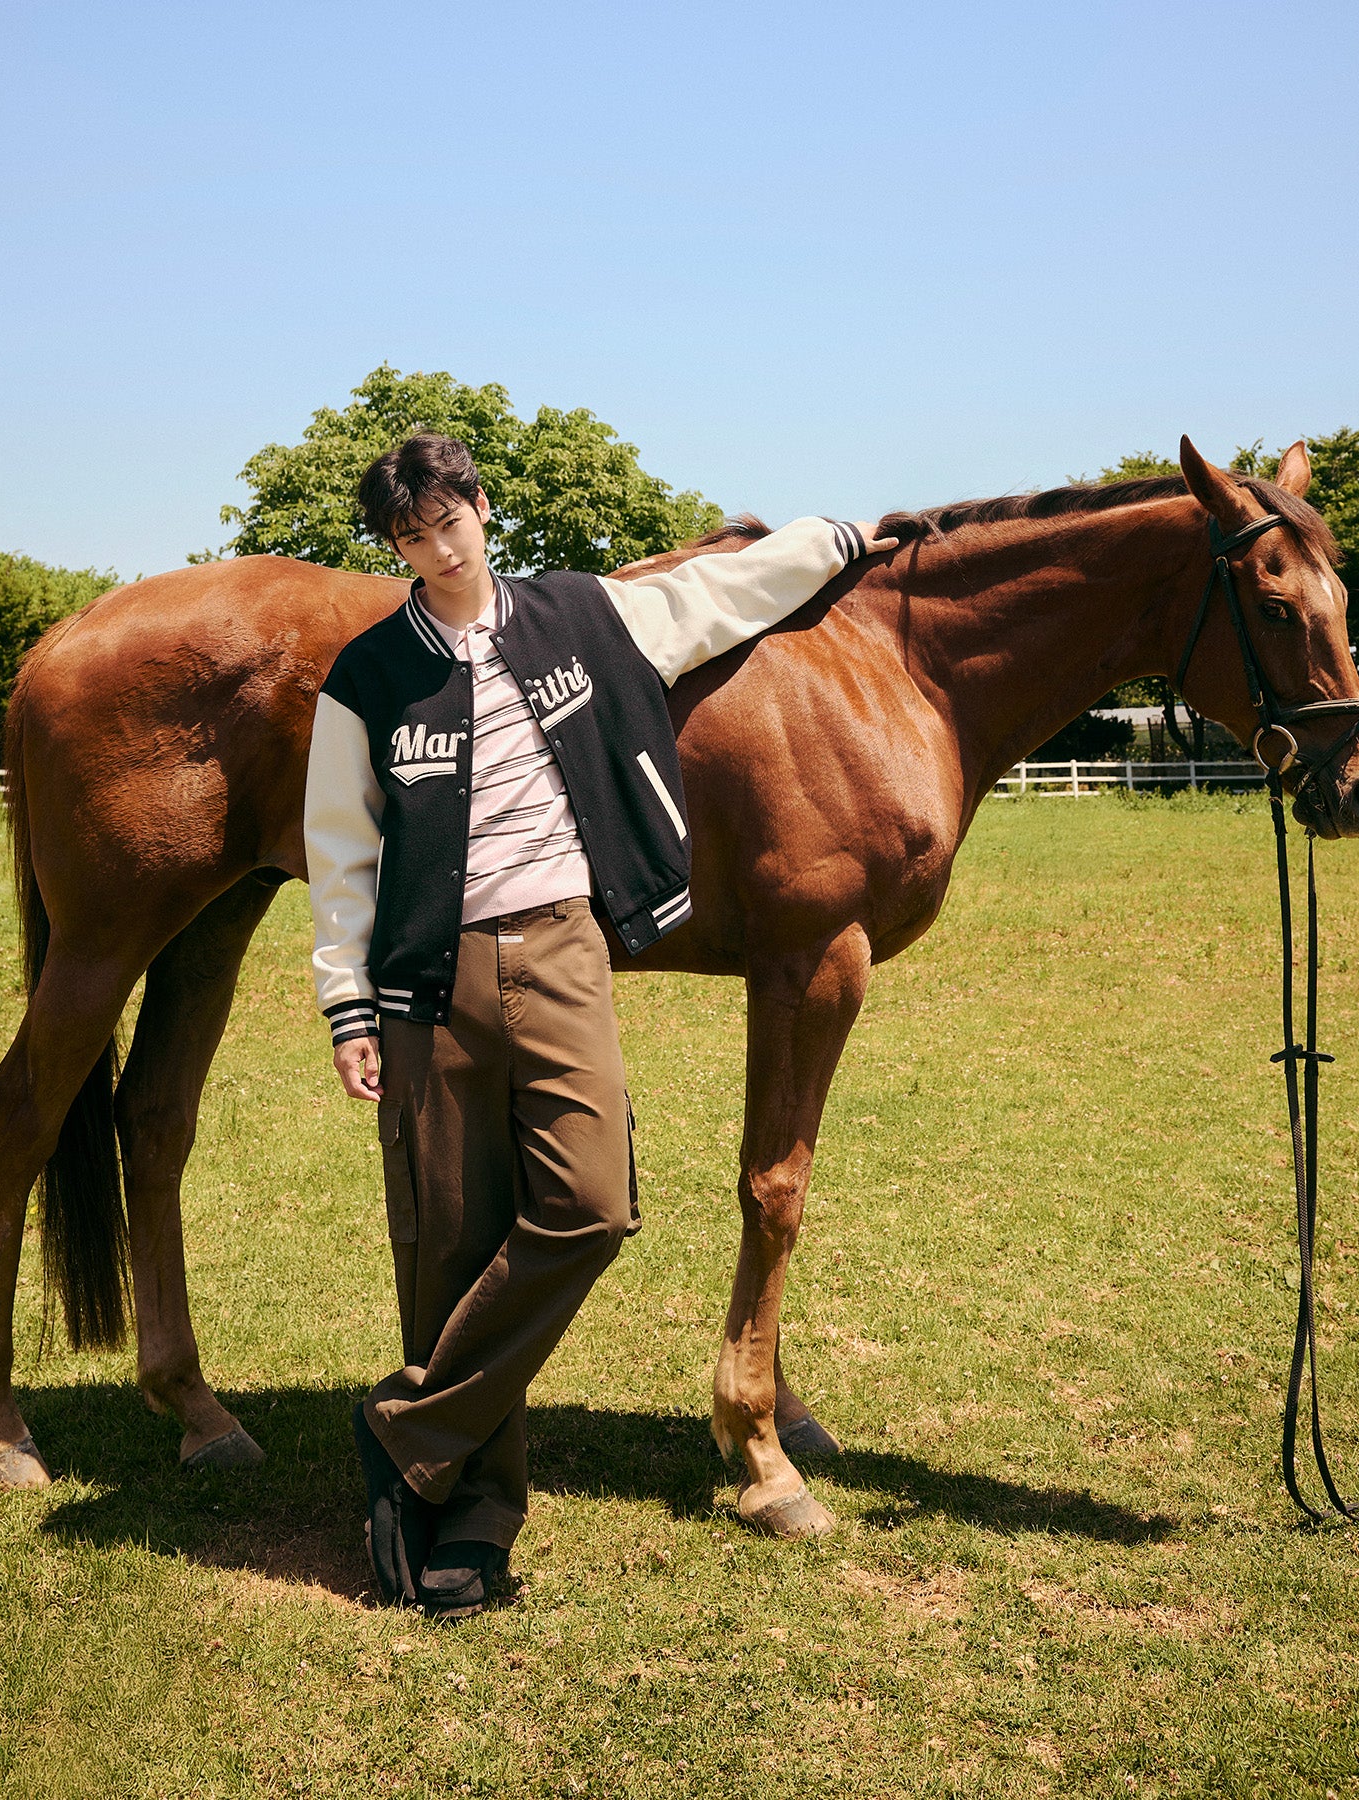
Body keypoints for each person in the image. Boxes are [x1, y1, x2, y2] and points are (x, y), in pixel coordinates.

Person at [304, 431, 896, 1619]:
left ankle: (406, 1428)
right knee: (450, 1251)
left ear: (481, 507)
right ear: (397, 548)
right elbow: (341, 851)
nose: (438, 549)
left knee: (592, 1205)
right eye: (411, 538)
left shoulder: (582, 615)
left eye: (448, 521)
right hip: (429, 980)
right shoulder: (367, 677)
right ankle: (473, 1523)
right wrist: (348, 1004)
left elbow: (722, 593)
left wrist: (839, 541)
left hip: (564, 950)